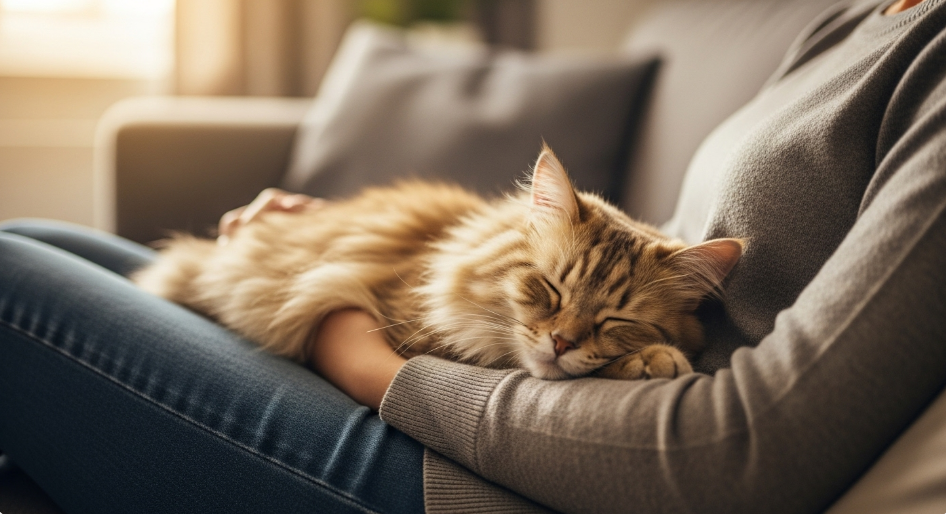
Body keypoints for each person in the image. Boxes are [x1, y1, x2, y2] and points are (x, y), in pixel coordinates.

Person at [1, 0, 944, 512]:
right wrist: (341, 241)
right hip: (476, 396)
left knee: (11, 280)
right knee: (40, 243)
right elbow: (629, 257)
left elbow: (744, 454)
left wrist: (361, 353)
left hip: (489, 470)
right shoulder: (855, 20)